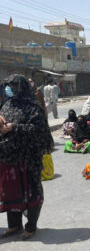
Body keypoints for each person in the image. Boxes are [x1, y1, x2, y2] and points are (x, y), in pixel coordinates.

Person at [0, 74, 53, 239]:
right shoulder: (7, 105)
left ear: (21, 87)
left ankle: (31, 226)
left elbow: (39, 130)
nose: (9, 89)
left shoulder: (33, 107)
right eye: (8, 86)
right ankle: (14, 225)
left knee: (31, 192)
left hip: (28, 157)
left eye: (13, 86)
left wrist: (14, 127)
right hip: (8, 156)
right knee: (11, 192)